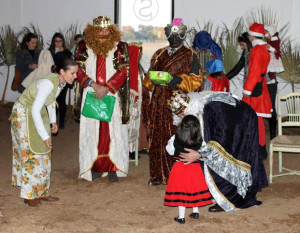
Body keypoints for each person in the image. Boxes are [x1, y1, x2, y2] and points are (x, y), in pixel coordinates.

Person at [169, 91, 268, 212]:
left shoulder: (213, 111)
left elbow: (221, 141)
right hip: (234, 119)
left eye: (183, 115)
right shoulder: (200, 107)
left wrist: (200, 154)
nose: (182, 119)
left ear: (191, 108)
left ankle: (230, 197)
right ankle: (215, 191)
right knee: (210, 154)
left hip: (242, 121)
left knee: (230, 156)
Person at [76, 16, 141, 182]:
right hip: (91, 93)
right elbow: (78, 70)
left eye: (107, 29)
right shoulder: (83, 47)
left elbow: (123, 71)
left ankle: (113, 167)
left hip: (112, 94)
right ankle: (94, 166)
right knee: (93, 132)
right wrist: (93, 85)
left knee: (112, 132)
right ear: (93, 30)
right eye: (100, 29)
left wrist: (108, 87)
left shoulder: (120, 47)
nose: (104, 32)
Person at [142, 18, 203, 185]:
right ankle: (157, 175)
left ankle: (176, 176)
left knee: (176, 137)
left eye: (178, 36)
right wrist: (152, 80)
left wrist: (177, 80)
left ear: (183, 36)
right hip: (157, 102)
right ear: (167, 36)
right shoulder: (158, 54)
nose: (174, 38)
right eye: (171, 35)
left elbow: (197, 81)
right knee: (156, 138)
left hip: (178, 103)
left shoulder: (191, 55)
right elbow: (147, 78)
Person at [10, 59, 78, 207]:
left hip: (36, 111)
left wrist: (53, 121)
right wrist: (45, 136)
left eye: (75, 73)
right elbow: (34, 109)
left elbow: (51, 101)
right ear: (62, 72)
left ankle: (42, 192)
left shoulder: (61, 82)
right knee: (31, 152)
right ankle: (29, 195)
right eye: (72, 73)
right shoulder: (48, 83)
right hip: (24, 112)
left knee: (44, 151)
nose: (75, 76)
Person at [164, 115, 212, 224]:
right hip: (195, 168)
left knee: (181, 192)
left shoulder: (175, 137)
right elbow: (205, 151)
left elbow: (169, 150)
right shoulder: (200, 139)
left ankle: (181, 217)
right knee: (194, 189)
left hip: (180, 168)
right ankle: (195, 212)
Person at [242, 22, 272, 159]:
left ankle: (257, 149)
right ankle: (260, 148)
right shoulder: (264, 49)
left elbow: (254, 73)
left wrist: (246, 90)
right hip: (261, 86)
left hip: (254, 90)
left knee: (254, 119)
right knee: (257, 119)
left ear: (252, 36)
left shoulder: (256, 50)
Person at [49, 32, 73, 129]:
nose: (58, 43)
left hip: (64, 79)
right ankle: (53, 122)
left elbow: (68, 65)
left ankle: (61, 121)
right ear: (53, 42)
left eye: (60, 41)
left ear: (63, 42)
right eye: (56, 41)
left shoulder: (67, 53)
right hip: (53, 79)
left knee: (61, 100)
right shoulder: (50, 52)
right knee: (52, 100)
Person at [265, 25, 284, 140]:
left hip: (271, 81)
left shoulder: (273, 42)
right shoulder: (267, 43)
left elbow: (276, 52)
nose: (265, 34)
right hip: (265, 80)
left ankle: (273, 133)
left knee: (271, 107)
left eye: (267, 32)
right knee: (268, 107)